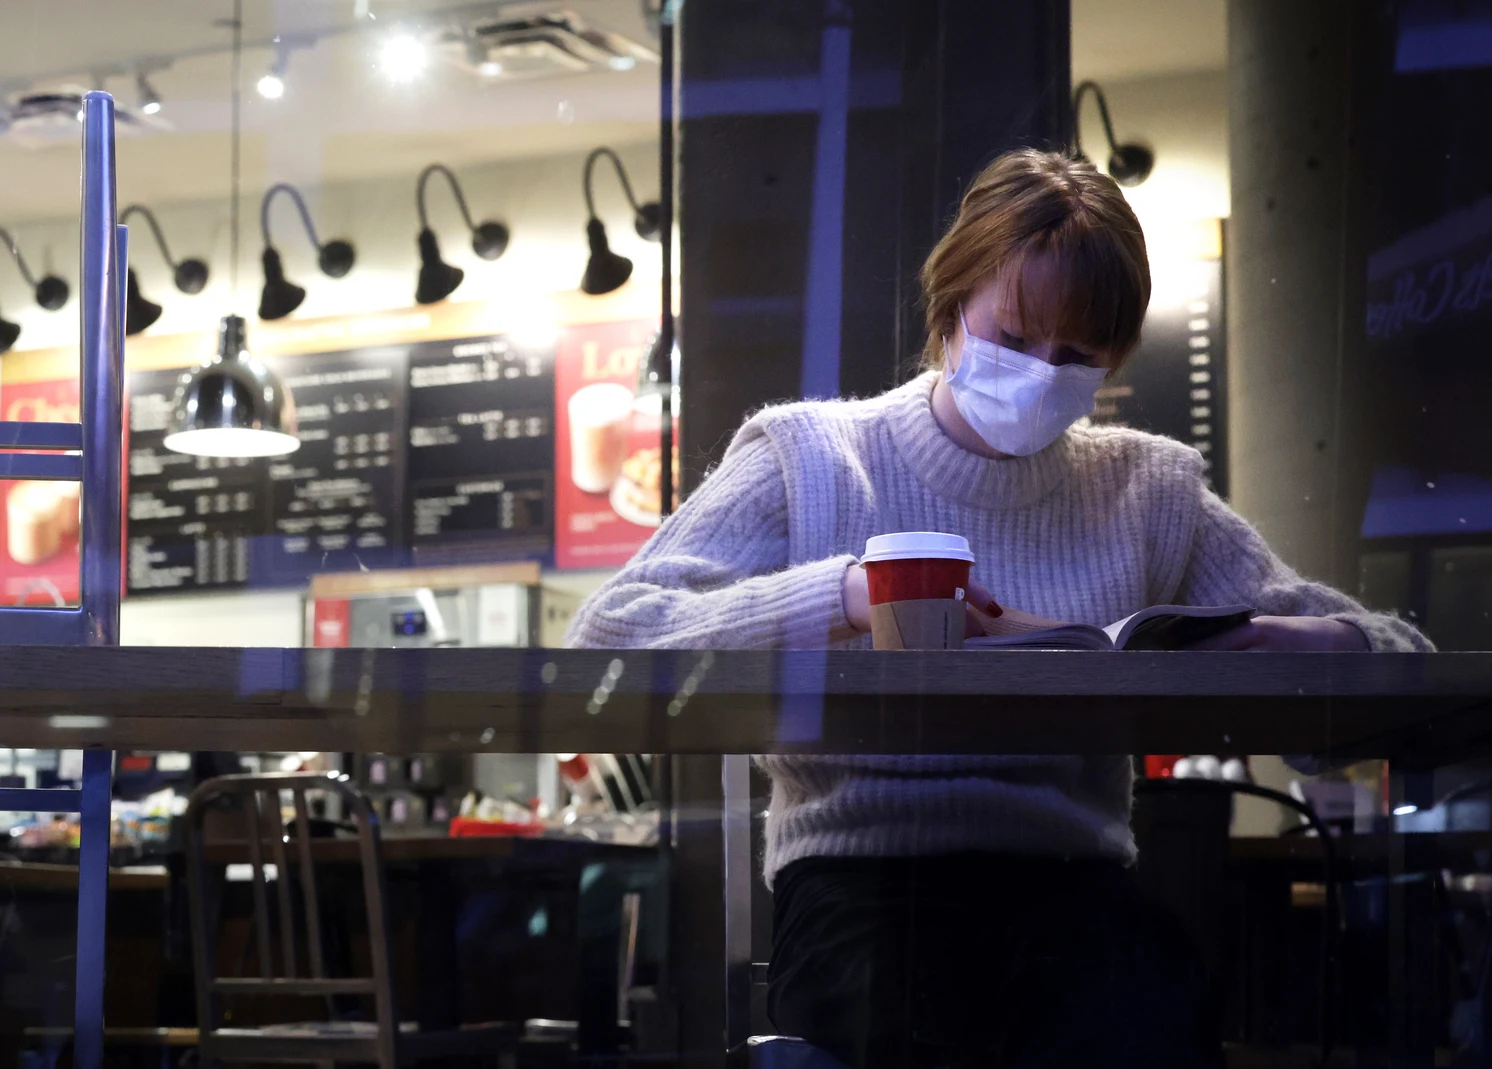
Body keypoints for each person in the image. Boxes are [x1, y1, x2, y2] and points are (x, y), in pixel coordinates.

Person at [565, 148, 1432, 1067]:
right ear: (951, 312)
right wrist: (850, 593)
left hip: (1076, 884)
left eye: (1075, 356)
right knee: (935, 1015)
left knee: (1153, 1011)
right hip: (864, 884)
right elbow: (611, 638)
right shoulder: (811, 458)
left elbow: (1396, 663)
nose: (1040, 371)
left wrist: (1295, 636)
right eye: (1015, 340)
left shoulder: (1146, 488)